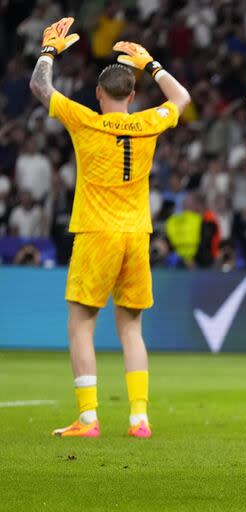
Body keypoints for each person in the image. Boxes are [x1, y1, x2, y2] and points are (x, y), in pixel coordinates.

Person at [29, 18, 190, 438]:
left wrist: (48, 51)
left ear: (99, 94)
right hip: (137, 235)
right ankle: (139, 418)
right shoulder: (149, 122)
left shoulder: (85, 120)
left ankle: (88, 418)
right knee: (131, 328)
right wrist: (152, 63)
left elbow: (40, 89)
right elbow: (183, 97)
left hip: (97, 232)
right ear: (133, 95)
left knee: (82, 324)